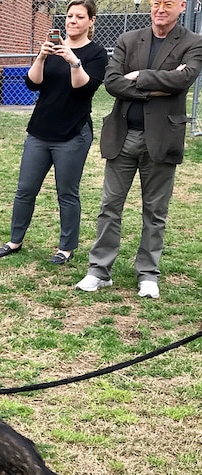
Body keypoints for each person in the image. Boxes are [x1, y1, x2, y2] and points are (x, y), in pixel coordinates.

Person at [75, 0, 202, 298]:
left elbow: (184, 79)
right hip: (123, 136)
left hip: (162, 137)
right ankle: (99, 271)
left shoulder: (193, 42)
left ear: (181, 6)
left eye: (168, 3)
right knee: (109, 207)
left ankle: (148, 274)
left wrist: (138, 77)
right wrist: (159, 85)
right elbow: (112, 83)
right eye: (156, 2)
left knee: (155, 211)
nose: (160, 8)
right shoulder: (128, 39)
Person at [0, 0, 108, 265]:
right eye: (69, 16)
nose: (72, 21)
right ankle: (14, 240)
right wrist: (42, 56)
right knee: (25, 190)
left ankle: (66, 248)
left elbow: (83, 89)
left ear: (91, 21)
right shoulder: (52, 48)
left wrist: (73, 60)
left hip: (73, 133)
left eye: (80, 16)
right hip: (40, 132)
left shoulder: (96, 54)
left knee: (67, 193)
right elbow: (32, 83)